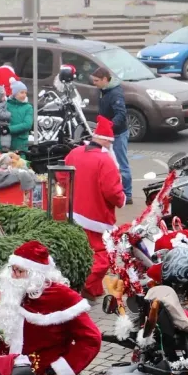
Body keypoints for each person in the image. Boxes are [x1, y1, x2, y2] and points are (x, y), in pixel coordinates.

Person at [0, 241, 102, 375]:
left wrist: (59, 371)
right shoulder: (7, 291)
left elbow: (91, 339)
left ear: (36, 275)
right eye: (12, 269)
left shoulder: (62, 297)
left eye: (19, 271)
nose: (13, 275)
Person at [64, 117, 126, 298]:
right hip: (96, 215)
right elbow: (112, 191)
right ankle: (87, 286)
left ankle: (93, 288)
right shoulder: (105, 161)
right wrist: (122, 199)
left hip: (73, 211)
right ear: (106, 140)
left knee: (80, 250)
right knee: (101, 255)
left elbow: (61, 176)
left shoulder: (74, 153)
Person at [91, 67, 132, 203]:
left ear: (104, 79)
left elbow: (121, 114)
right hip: (110, 133)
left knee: (121, 163)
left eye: (96, 80)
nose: (94, 83)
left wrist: (108, 126)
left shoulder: (115, 93)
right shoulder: (104, 90)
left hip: (118, 133)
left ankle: (128, 194)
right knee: (110, 163)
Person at [2, 80, 35, 153]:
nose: (24, 95)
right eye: (21, 92)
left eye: (25, 93)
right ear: (14, 93)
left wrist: (9, 129)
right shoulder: (6, 105)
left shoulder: (28, 107)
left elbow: (27, 124)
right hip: (6, 141)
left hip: (21, 143)